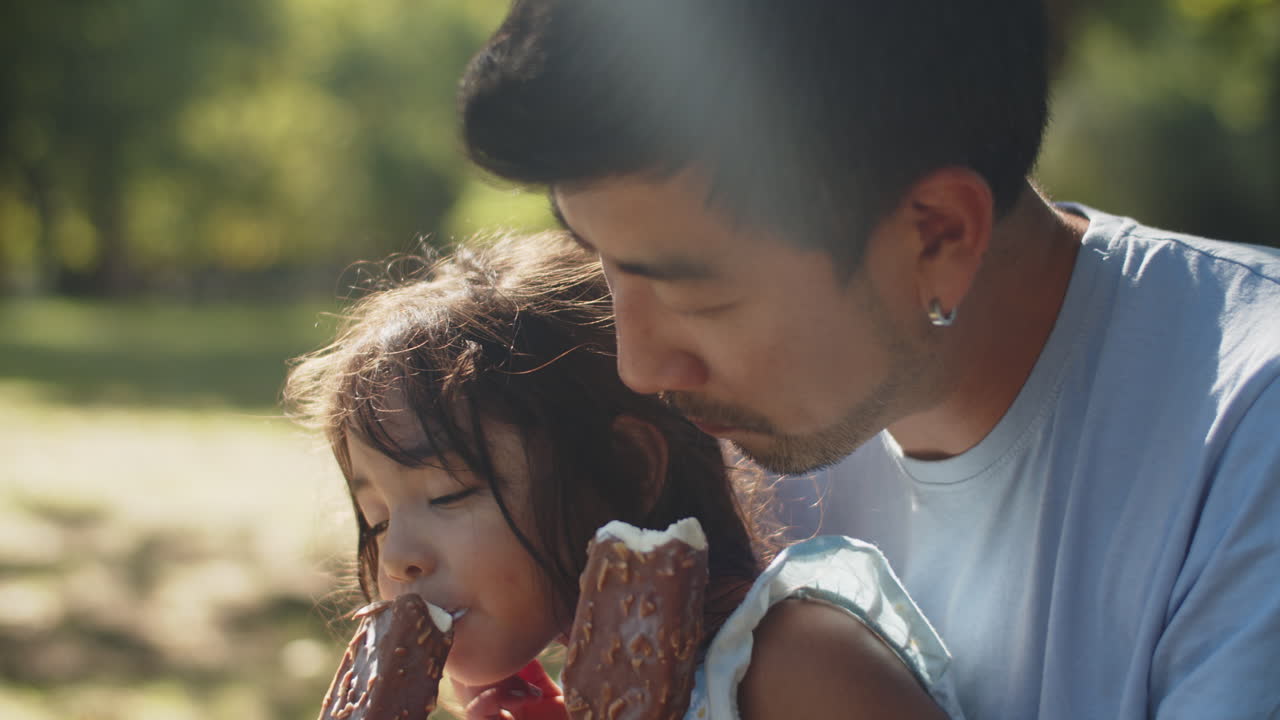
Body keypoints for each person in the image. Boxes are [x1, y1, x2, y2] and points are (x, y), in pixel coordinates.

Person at [455, 1, 1280, 718]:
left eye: (697, 296)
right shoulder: (716, 459)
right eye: (599, 258)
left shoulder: (1246, 436)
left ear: (939, 236)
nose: (640, 364)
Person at [283, 232, 964, 720]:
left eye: (447, 493)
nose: (397, 557)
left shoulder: (788, 664)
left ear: (627, 471)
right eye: (374, 518)